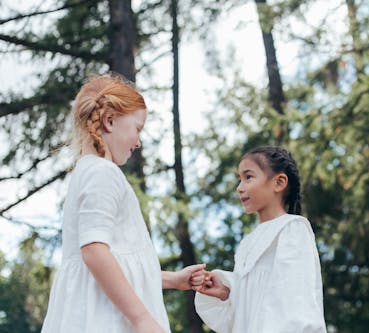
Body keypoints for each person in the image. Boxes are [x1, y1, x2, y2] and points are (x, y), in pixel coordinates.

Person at [41, 74, 205, 333]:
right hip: (105, 318)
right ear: (109, 121)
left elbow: (114, 265)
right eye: (137, 128)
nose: (138, 141)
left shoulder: (87, 172)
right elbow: (94, 252)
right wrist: (142, 319)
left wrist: (173, 279)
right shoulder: (102, 173)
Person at [194, 146, 327, 332]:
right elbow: (250, 308)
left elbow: (295, 301)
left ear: (279, 182)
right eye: (239, 179)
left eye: (248, 177)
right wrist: (227, 293)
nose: (239, 188)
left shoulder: (292, 228)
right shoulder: (248, 242)